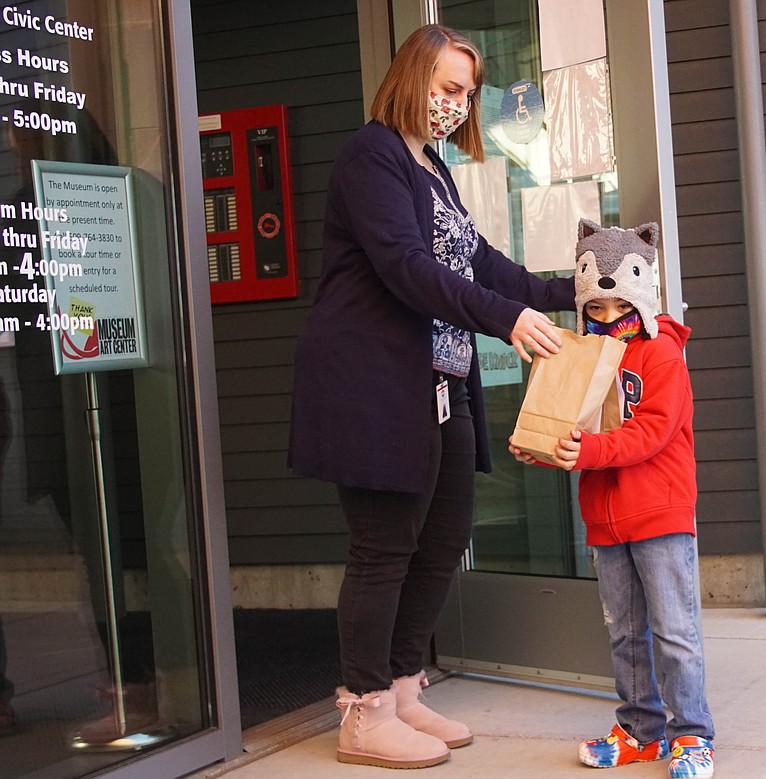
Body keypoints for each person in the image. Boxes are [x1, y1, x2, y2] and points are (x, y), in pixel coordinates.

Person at [287, 24, 575, 771]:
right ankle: (363, 710)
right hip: (373, 387)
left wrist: (576, 289)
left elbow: (482, 265)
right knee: (383, 548)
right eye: (448, 88)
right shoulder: (371, 156)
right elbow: (408, 269)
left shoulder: (434, 169)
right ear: (412, 77)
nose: (457, 104)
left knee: (443, 539)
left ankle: (404, 687)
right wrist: (508, 318)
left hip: (441, 381)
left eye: (467, 93)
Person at [510, 220, 716, 778]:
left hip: (659, 512)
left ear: (641, 297)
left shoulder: (662, 355)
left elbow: (654, 430)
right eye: (594, 310)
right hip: (605, 519)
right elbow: (572, 432)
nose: (605, 319)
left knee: (675, 630)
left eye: (616, 306)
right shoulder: (578, 359)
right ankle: (640, 730)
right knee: (625, 632)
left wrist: (589, 449)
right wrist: (545, 447)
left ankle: (691, 734)